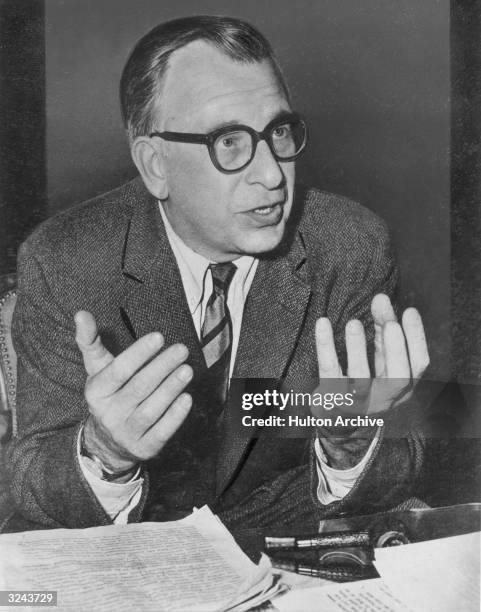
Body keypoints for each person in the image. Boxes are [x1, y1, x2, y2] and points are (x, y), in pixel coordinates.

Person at [5, 16, 429, 532]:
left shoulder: (350, 246)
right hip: (126, 554)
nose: (273, 174)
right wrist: (105, 450)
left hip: (282, 548)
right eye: (229, 141)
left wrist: (350, 444)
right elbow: (32, 482)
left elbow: (404, 463)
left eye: (278, 131)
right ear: (155, 165)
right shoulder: (66, 261)